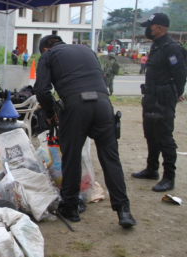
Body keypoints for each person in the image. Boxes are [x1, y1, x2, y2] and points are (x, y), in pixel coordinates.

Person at [34, 35, 136, 228]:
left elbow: (42, 90)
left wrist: (49, 113)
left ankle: (71, 208)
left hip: (75, 107)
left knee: (71, 157)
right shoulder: (87, 50)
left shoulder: (48, 56)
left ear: (46, 48)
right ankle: (124, 211)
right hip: (103, 105)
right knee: (111, 158)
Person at [131, 13, 186, 192]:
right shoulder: (156, 46)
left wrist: (177, 93)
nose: (148, 29)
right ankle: (151, 169)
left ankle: (168, 177)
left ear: (159, 28)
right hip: (150, 97)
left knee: (164, 137)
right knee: (151, 134)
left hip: (164, 99)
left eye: (151, 26)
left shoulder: (172, 48)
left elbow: (180, 75)